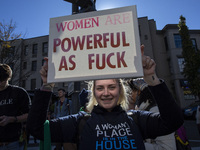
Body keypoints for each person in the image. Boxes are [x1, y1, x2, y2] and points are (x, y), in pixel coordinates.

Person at [27, 46, 184, 150]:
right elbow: (36, 129)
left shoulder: (136, 119)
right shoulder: (80, 122)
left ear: (120, 91)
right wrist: (47, 86)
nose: (106, 93)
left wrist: (151, 78)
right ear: (94, 93)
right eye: (100, 88)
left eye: (112, 87)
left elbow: (173, 121)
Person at [129, 78, 176, 150]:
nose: (129, 94)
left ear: (139, 91)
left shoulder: (156, 110)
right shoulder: (142, 109)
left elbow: (168, 148)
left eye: (131, 90)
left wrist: (137, 144)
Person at [0, 64, 31, 150]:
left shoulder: (19, 92)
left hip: (14, 142)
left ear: (8, 78)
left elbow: (29, 115)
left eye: (2, 80)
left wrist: (11, 119)